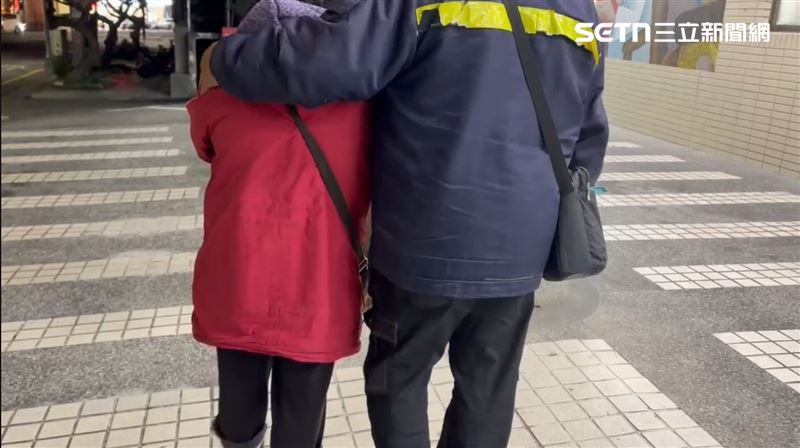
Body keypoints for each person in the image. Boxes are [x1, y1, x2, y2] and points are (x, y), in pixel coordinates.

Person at [200, 0, 608, 446]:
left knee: (399, 379)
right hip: (521, 247)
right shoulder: (580, 11)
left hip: (425, 239)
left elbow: (334, 61)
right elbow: (588, 134)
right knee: (488, 388)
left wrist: (225, 56)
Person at [187, 1, 369, 447]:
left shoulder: (220, 97)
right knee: (302, 413)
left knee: (239, 405)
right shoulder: (362, 105)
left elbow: (205, 146)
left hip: (239, 273)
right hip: (320, 279)